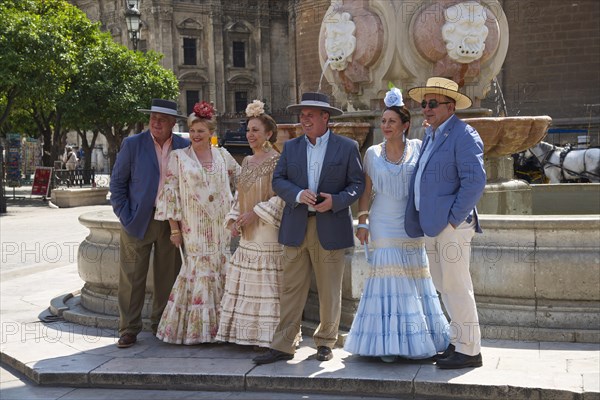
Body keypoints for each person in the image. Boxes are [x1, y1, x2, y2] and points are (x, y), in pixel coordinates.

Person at [253, 92, 365, 365]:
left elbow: (357, 184)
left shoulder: (347, 147)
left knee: (329, 290)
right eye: (302, 114)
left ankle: (326, 342)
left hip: (330, 226)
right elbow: (278, 181)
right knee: (291, 288)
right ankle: (284, 344)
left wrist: (336, 201)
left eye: (310, 114)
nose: (304, 119)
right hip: (295, 226)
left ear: (325, 117)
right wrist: (297, 193)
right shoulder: (290, 147)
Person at [344, 87, 450, 362]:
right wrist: (363, 221)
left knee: (414, 279)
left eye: (392, 121)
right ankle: (388, 344)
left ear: (405, 125)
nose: (386, 126)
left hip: (410, 223)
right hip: (382, 222)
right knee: (390, 279)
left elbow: (437, 159)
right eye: (383, 121)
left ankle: (417, 339)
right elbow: (366, 191)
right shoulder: (371, 153)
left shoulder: (418, 145)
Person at [405, 77, 487, 369]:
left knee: (456, 284)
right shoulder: (433, 134)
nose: (425, 109)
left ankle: (470, 350)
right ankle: (458, 342)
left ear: (450, 107)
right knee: (444, 284)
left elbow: (475, 181)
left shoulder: (464, 134)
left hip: (451, 226)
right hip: (433, 224)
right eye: (423, 103)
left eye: (432, 104)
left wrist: (452, 220)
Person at [154, 101, 241, 345]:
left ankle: (225, 329)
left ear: (211, 133)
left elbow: (242, 183)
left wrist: (237, 214)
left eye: (201, 131)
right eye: (192, 131)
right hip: (193, 225)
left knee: (220, 267)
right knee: (198, 270)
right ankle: (198, 332)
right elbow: (170, 194)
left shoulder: (223, 156)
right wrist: (173, 229)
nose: (195, 135)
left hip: (220, 225)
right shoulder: (178, 158)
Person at [110, 98, 190, 348]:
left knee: (168, 275)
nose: (156, 122)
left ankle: (162, 324)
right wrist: (125, 214)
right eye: (153, 117)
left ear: (173, 123)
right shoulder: (132, 144)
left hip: (172, 222)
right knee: (132, 277)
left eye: (163, 119)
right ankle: (129, 328)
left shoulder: (184, 146)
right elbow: (117, 183)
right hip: (138, 220)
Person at [216, 100, 285, 348]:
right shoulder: (245, 162)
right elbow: (239, 195)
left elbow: (282, 198)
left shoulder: (278, 161)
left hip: (267, 231)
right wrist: (234, 219)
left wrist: (255, 213)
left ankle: (267, 337)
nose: (250, 134)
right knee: (248, 284)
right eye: (248, 130)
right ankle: (246, 334)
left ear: (268, 134)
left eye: (256, 130)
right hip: (247, 234)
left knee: (266, 285)